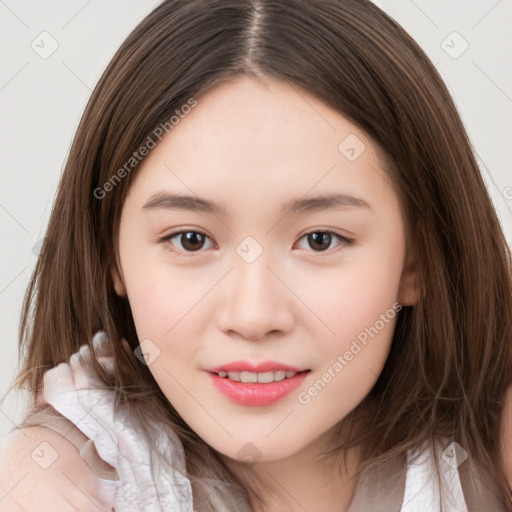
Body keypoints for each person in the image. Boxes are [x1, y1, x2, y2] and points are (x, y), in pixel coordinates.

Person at [1, 0, 511, 510]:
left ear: (414, 262)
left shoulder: (488, 456)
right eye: (191, 239)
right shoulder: (57, 481)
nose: (253, 316)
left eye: (320, 240)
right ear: (112, 255)